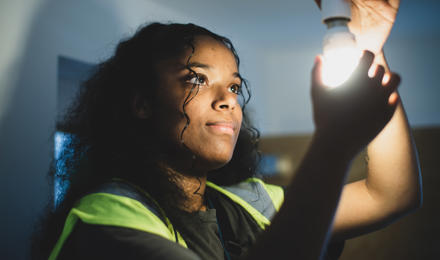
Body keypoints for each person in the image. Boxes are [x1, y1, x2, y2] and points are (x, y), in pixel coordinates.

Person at [32, 0, 422, 259]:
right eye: (196, 79)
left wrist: (366, 47)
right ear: (142, 104)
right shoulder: (106, 218)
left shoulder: (248, 201)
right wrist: (333, 146)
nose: (229, 100)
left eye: (234, 86)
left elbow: (391, 194)